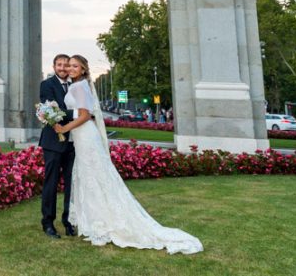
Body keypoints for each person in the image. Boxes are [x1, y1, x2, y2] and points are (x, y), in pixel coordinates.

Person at [53, 55, 202, 254]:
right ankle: (96, 220)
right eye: (69, 65)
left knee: (96, 177)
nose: (70, 68)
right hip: (81, 138)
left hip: (86, 136)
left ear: (83, 69)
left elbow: (85, 116)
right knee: (92, 178)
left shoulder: (79, 87)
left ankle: (101, 223)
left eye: (74, 66)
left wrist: (64, 129)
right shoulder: (80, 85)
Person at [39, 54, 76, 239]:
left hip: (74, 143)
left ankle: (68, 220)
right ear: (54, 66)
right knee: (51, 183)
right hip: (53, 143)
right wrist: (79, 113)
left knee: (72, 184)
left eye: (65, 65)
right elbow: (55, 111)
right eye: (59, 64)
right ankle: (48, 222)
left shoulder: (75, 85)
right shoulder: (47, 85)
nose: (62, 68)